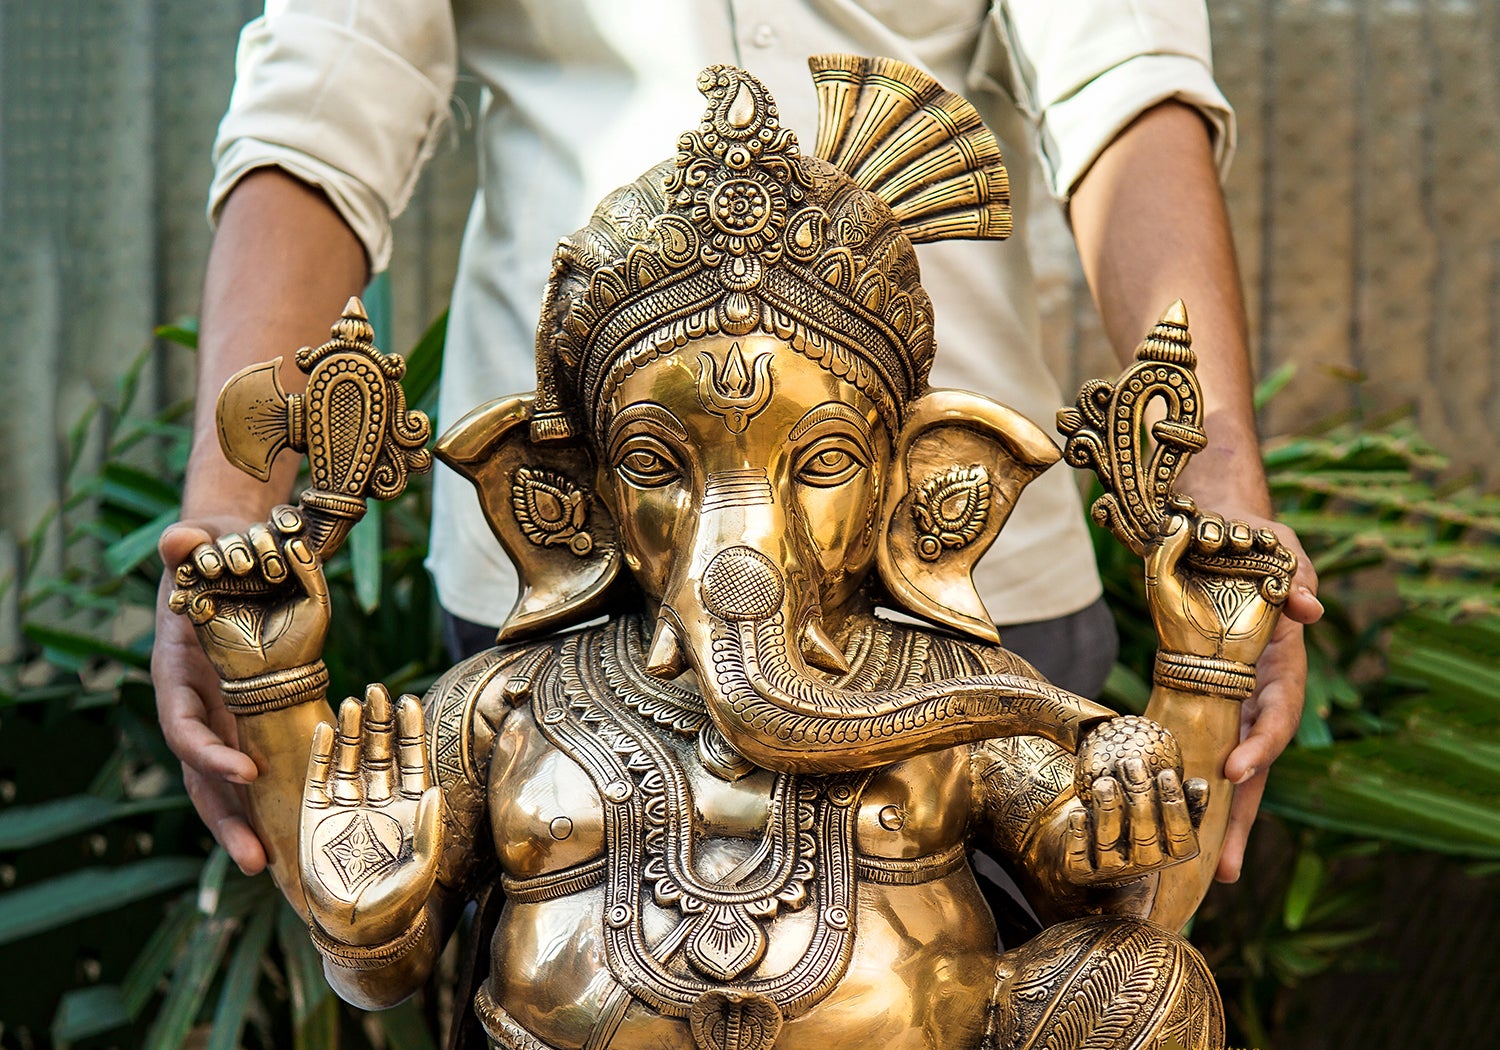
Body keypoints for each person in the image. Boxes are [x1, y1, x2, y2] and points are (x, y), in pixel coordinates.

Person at [151, 0, 1322, 888]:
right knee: (559, 1034)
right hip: (578, 578)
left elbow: (1123, 77)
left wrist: (1219, 500)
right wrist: (231, 527)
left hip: (962, 586)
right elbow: (329, 90)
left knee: (1022, 1027)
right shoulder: (500, 695)